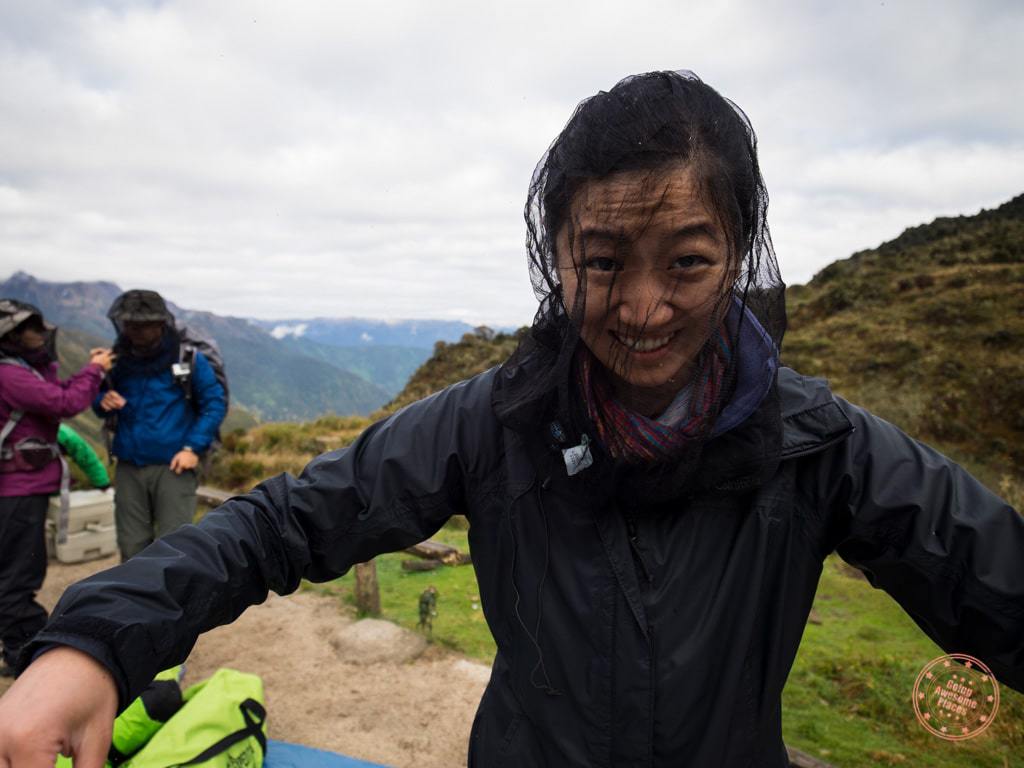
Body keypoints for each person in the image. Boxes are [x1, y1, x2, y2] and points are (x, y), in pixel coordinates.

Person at [0, 71, 1022, 767]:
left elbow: (986, 569)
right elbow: (281, 523)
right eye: (603, 261)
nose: (642, 309)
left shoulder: (819, 444)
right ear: (555, 255)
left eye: (688, 261)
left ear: (739, 251)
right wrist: (92, 643)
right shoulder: (490, 424)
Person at [0, 300, 113, 678]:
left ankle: (15, 649)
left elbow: (52, 391)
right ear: (12, 337)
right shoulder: (9, 375)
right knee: (18, 577)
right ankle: (26, 656)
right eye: (30, 331)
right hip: (17, 491)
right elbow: (65, 401)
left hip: (19, 487)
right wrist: (95, 370)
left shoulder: (20, 371)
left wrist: (62, 368)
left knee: (15, 571)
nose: (40, 336)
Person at [95, 290, 227, 561]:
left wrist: (192, 448)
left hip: (174, 465)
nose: (135, 332)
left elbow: (214, 403)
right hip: (129, 464)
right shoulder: (118, 360)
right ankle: (134, 589)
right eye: (130, 325)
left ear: (160, 324)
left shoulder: (188, 359)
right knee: (131, 546)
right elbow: (98, 401)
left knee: (174, 545)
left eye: (142, 325)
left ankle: (175, 591)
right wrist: (102, 400)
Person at [57, 424, 111, 491]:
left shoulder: (59, 432)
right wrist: (102, 482)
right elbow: (85, 455)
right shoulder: (60, 431)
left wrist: (102, 482)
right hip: (52, 487)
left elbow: (84, 454)